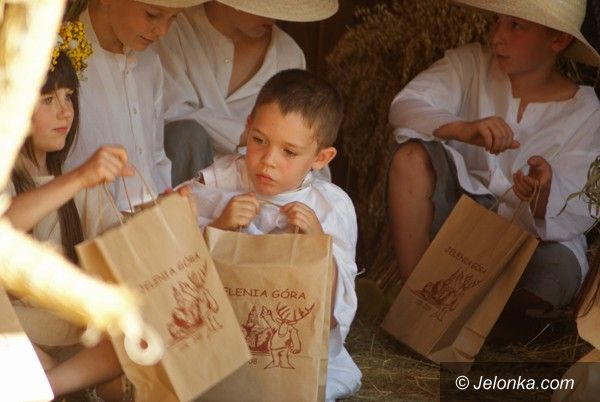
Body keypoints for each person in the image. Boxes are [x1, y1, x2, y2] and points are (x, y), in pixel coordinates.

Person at [387, 0, 600, 341]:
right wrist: (462, 129)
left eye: (516, 26)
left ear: (558, 39)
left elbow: (579, 200)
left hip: (531, 240)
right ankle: (416, 311)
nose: (497, 36)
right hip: (456, 220)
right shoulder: (471, 64)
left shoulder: (586, 111)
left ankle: (490, 333)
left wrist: (543, 190)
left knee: (555, 274)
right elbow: (405, 106)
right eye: (497, 21)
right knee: (410, 158)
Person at [185, 69, 361, 401]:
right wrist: (219, 227)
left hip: (289, 349)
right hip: (218, 340)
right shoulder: (218, 181)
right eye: (259, 141)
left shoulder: (329, 207)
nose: (268, 161)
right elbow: (177, 265)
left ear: (321, 158)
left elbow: (334, 309)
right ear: (248, 127)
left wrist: (316, 243)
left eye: (289, 152)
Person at [5, 22, 134, 401]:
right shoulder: (63, 179)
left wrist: (163, 214)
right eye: (47, 100)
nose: (64, 112)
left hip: (71, 332)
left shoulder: (82, 185)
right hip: (13, 332)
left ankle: (46, 387)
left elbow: (117, 248)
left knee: (135, 336)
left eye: (69, 96)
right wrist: (78, 178)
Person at [155, 0, 339, 184]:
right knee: (186, 135)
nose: (273, 17)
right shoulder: (170, 30)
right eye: (265, 5)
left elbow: (304, 132)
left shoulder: (287, 53)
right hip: (179, 182)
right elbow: (170, 114)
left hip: (260, 185)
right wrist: (249, 136)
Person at [64, 0, 206, 211]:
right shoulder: (59, 59)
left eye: (173, 18)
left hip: (150, 220)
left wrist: (165, 203)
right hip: (87, 220)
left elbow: (156, 156)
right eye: (152, 14)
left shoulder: (149, 63)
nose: (162, 31)